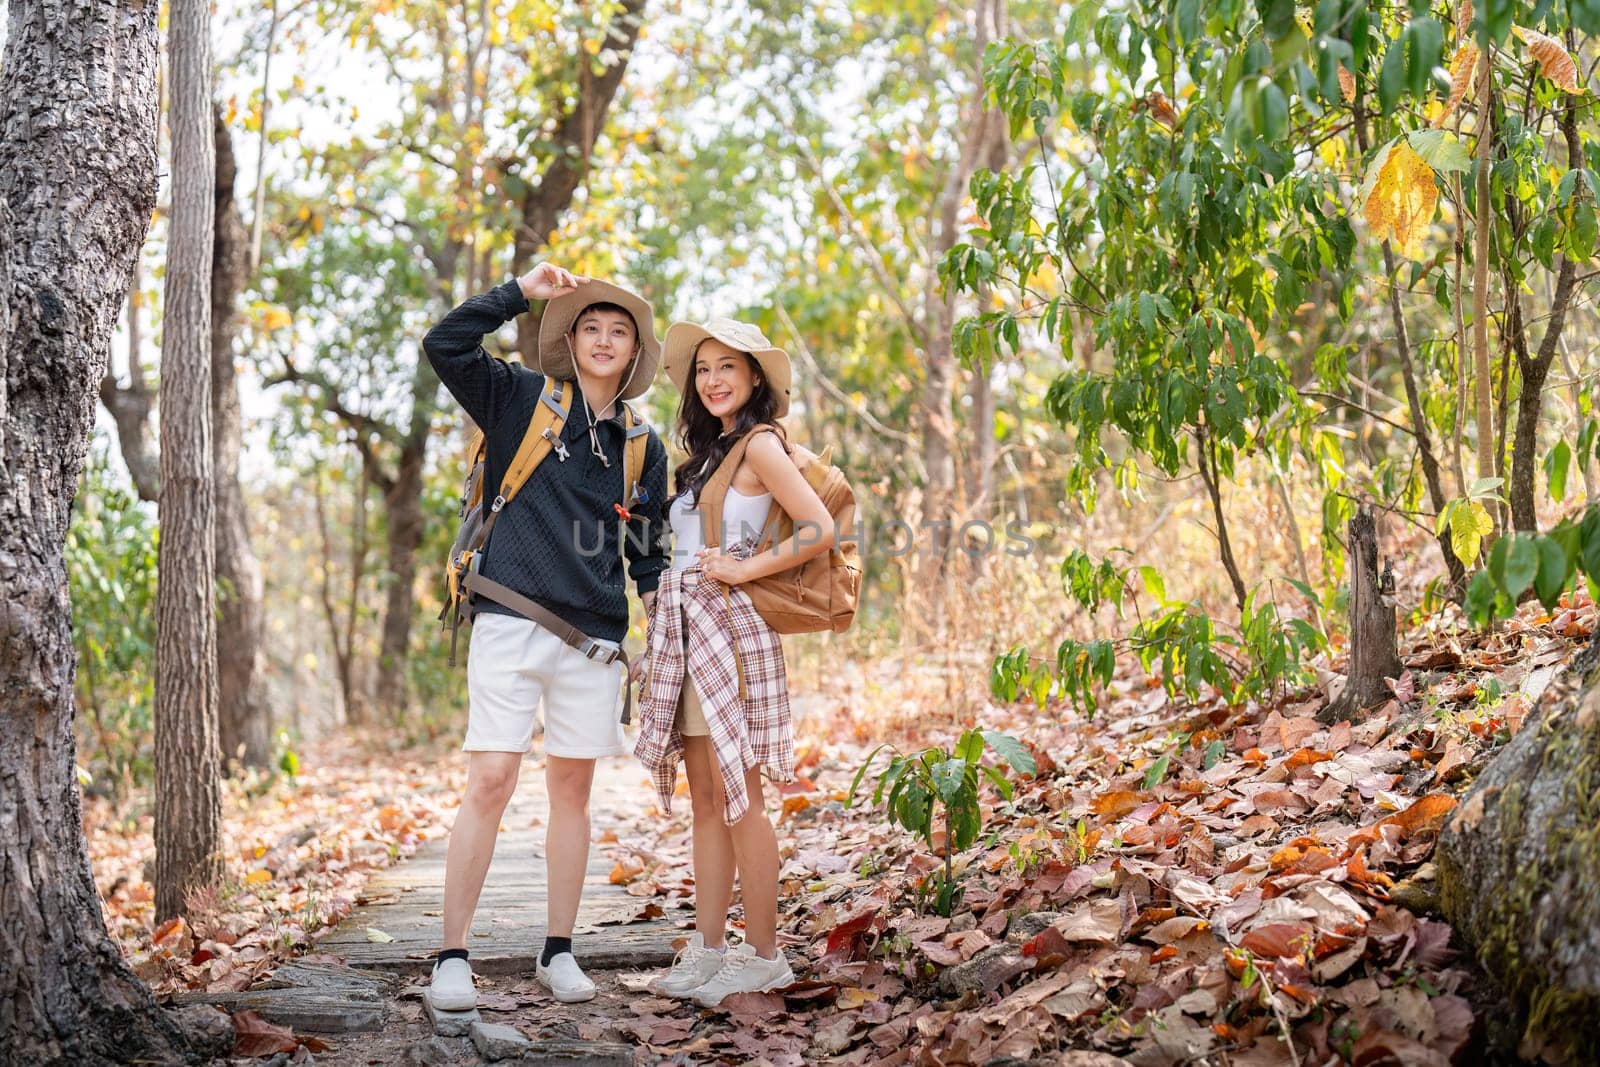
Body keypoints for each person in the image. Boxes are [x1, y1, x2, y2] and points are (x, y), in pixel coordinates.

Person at [420, 263, 669, 1008]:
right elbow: (445, 344)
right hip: (507, 618)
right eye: (590, 326)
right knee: (491, 779)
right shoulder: (519, 397)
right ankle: (450, 957)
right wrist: (518, 292)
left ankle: (559, 949)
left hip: (592, 641)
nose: (603, 339)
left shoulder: (640, 444)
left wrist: (658, 635)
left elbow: (649, 553)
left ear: (632, 354)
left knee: (573, 792)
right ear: (568, 338)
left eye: (618, 331)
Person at [633, 318, 836, 1007]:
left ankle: (767, 955)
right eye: (704, 369)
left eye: (729, 366)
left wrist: (745, 569)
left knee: (741, 794)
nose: (714, 379)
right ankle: (711, 947)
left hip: (731, 633)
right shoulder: (708, 457)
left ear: (754, 377)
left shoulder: (760, 446)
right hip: (689, 636)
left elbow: (818, 527)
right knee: (706, 802)